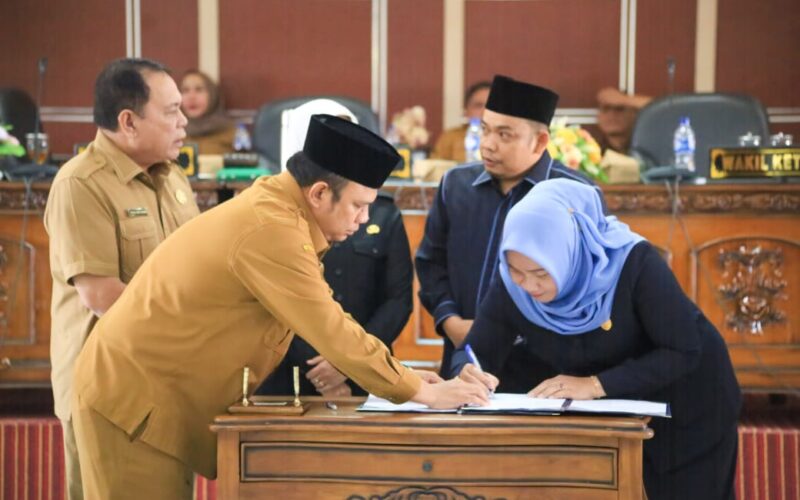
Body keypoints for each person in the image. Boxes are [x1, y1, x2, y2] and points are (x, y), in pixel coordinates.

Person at [70, 114, 488, 499]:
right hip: (133, 400)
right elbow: (329, 327)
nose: (364, 219)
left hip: (156, 396)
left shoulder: (280, 207)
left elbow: (327, 314)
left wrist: (405, 377)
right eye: (359, 205)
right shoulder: (272, 227)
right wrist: (420, 392)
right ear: (319, 193)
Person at [453, 179, 741, 500]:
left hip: (684, 400)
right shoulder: (513, 282)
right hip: (611, 406)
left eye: (541, 273)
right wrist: (467, 370)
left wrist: (595, 385)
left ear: (568, 252)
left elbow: (683, 350)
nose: (529, 286)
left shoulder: (634, 263)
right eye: (516, 271)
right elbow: (474, 350)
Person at [44, 57, 200, 500]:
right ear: (128, 121)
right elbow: (103, 296)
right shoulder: (81, 184)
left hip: (168, 387)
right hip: (109, 395)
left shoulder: (173, 177)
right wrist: (196, 331)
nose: (184, 122)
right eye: (171, 111)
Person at [416, 74, 602, 389]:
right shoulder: (456, 186)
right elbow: (430, 263)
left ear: (539, 141)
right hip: (466, 364)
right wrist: (450, 321)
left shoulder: (576, 194)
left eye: (504, 135)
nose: (488, 144)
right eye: (485, 129)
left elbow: (592, 284)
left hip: (546, 371)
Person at [260, 101, 413, 397]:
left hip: (369, 372)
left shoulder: (381, 212)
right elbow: (276, 306)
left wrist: (345, 364)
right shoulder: (274, 216)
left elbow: (398, 301)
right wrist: (321, 368)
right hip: (289, 371)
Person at [429, 80, 490, 163]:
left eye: (490, 106)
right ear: (466, 111)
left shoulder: (506, 139)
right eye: (478, 106)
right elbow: (435, 167)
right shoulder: (451, 137)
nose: (485, 111)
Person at [180, 69, 236, 154]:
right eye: (185, 90)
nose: (191, 97)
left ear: (212, 95)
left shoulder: (232, 134)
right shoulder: (173, 134)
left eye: (199, 90)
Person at [595, 86, 651, 154]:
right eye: (605, 109)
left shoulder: (650, 148)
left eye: (619, 109)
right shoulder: (591, 150)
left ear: (634, 114)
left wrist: (625, 100)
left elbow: (663, 113)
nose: (611, 115)